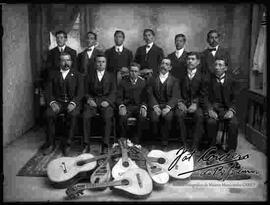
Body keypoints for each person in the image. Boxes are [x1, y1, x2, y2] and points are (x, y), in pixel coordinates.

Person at [43, 52, 83, 156]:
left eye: (68, 60)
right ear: (59, 62)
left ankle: (68, 144)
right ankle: (50, 144)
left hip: (72, 102)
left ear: (71, 61)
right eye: (63, 60)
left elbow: (80, 92)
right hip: (58, 102)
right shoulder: (53, 74)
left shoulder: (77, 74)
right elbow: (48, 91)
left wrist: (74, 103)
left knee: (73, 115)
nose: (66, 62)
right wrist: (52, 102)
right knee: (49, 114)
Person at [206, 57, 240, 168]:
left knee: (234, 124)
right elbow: (204, 97)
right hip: (214, 110)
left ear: (225, 68)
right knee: (211, 123)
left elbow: (236, 99)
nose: (217, 67)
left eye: (220, 65)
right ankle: (211, 152)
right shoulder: (208, 79)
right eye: (215, 64)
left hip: (227, 110)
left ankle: (231, 154)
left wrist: (231, 110)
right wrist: (210, 109)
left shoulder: (232, 80)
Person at [82, 54, 116, 153]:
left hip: (106, 101)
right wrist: (89, 99)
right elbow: (86, 91)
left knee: (107, 116)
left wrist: (108, 101)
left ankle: (105, 144)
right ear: (95, 63)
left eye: (103, 62)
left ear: (106, 64)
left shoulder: (111, 76)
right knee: (86, 116)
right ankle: (86, 143)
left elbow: (114, 92)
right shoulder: (89, 76)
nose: (101, 64)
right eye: (99, 62)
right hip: (93, 101)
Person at [175, 52, 206, 151]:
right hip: (182, 103)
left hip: (197, 104)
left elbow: (204, 93)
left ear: (198, 62)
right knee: (179, 115)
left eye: (193, 59)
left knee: (200, 116)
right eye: (188, 59)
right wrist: (180, 102)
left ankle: (195, 145)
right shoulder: (180, 75)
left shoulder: (203, 76)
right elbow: (176, 90)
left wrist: (195, 103)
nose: (190, 61)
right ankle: (183, 144)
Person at [147, 58, 179, 149]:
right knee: (154, 118)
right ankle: (154, 140)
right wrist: (155, 106)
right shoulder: (153, 79)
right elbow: (150, 93)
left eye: (167, 64)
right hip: (156, 105)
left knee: (168, 117)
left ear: (170, 68)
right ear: (159, 65)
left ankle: (165, 140)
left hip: (168, 105)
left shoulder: (174, 80)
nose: (164, 66)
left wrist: (168, 107)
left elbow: (175, 96)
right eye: (162, 63)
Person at [116, 62, 148, 144]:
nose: (133, 73)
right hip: (127, 107)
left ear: (139, 73)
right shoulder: (123, 82)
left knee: (142, 117)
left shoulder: (143, 82)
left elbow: (146, 98)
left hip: (138, 107)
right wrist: (121, 106)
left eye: (135, 71)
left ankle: (137, 140)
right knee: (122, 117)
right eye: (131, 71)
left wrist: (144, 107)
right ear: (129, 72)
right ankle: (124, 139)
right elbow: (119, 97)